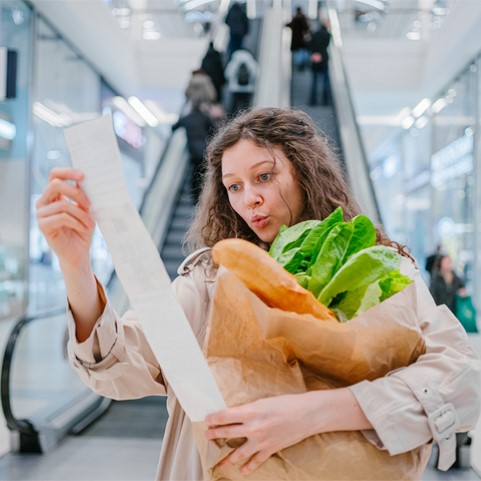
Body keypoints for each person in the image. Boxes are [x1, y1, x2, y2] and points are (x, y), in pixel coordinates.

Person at [35, 107, 480, 481]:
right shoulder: (211, 281)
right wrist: (75, 266)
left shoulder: (377, 267)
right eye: (234, 187)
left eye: (263, 176)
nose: (249, 199)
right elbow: (118, 364)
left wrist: (320, 411)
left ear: (306, 172)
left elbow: (462, 379)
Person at [171, 105, 215, 204]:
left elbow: (173, 127)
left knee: (195, 173)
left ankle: (195, 197)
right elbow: (215, 130)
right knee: (204, 172)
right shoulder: (205, 117)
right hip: (205, 151)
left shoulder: (187, 118)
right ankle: (204, 196)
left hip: (193, 152)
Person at [224, 49, 257, 114]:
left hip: (235, 89)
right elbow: (256, 73)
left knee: (234, 107)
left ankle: (233, 120)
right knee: (247, 108)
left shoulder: (234, 60)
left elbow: (227, 74)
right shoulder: (251, 61)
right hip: (248, 89)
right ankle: (247, 121)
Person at [308, 21, 332, 106]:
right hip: (324, 59)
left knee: (314, 81)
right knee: (325, 81)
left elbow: (310, 45)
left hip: (315, 59)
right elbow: (326, 45)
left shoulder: (315, 34)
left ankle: (313, 100)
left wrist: (315, 53)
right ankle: (325, 100)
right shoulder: (328, 35)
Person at [286, 6, 310, 71]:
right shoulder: (304, 19)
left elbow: (290, 25)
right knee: (302, 52)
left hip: (296, 40)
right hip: (303, 40)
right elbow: (307, 28)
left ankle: (299, 65)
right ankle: (302, 64)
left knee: (298, 53)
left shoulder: (295, 19)